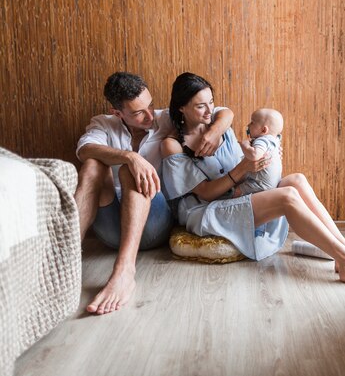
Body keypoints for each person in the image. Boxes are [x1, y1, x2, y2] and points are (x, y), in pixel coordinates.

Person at [161, 72, 345, 283]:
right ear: (181, 107)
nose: (209, 110)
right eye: (200, 106)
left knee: (296, 180)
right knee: (287, 196)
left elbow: (227, 113)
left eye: (211, 102)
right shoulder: (173, 145)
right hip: (206, 209)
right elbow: (206, 193)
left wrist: (256, 153)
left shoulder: (218, 123)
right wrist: (244, 167)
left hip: (240, 190)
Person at [74, 71, 234, 315]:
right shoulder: (103, 124)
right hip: (109, 227)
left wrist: (213, 131)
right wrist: (131, 156)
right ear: (118, 113)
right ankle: (67, 255)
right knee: (93, 164)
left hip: (153, 222)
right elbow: (85, 149)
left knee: (130, 173)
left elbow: (224, 112)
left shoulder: (166, 118)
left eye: (149, 105)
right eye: (138, 113)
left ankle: (124, 272)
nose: (149, 115)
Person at [233, 108, 283, 197]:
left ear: (264, 130)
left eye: (252, 122)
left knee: (237, 191)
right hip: (274, 182)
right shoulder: (275, 139)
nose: (248, 125)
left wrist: (244, 145)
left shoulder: (263, 140)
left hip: (261, 184)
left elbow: (254, 155)